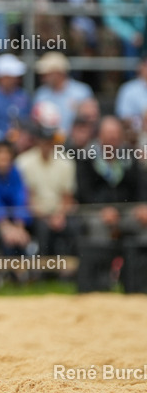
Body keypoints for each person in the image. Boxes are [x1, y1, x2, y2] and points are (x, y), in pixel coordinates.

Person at [74, 116, 147, 293]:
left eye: (116, 134)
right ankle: (100, 285)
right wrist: (101, 209)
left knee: (144, 228)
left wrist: (142, 206)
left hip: (127, 212)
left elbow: (140, 186)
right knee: (98, 229)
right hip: (95, 212)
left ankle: (139, 285)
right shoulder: (86, 158)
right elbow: (84, 192)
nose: (113, 137)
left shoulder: (130, 157)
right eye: (109, 134)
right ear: (99, 136)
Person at [16, 125, 76, 263]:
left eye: (49, 141)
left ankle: (70, 270)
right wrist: (45, 217)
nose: (47, 145)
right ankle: (42, 269)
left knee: (74, 226)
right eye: (44, 141)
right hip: (35, 213)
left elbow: (67, 197)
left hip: (60, 213)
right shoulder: (23, 162)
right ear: (37, 141)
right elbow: (26, 197)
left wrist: (60, 215)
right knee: (42, 229)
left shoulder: (66, 162)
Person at [32, 52, 93, 134]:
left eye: (47, 74)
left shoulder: (81, 92)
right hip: (48, 142)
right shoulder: (41, 94)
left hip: (75, 143)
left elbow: (90, 121)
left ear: (59, 73)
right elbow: (34, 122)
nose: (43, 78)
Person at [0, 54, 32, 134]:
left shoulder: (22, 95)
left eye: (16, 77)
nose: (15, 80)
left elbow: (28, 118)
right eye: (11, 77)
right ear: (1, 77)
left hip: (20, 136)